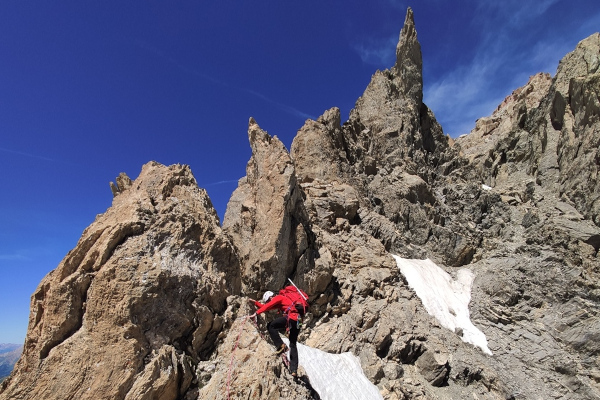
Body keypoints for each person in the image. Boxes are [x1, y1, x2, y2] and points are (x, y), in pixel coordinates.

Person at [249, 289, 303, 377]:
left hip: (291, 317)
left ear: (271, 297)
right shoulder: (283, 300)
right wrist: (256, 303)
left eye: (268, 300)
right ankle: (294, 370)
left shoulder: (279, 297)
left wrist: (256, 313)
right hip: (298, 320)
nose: (270, 301)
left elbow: (268, 306)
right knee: (293, 344)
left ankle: (281, 345)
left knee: (271, 326)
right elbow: (267, 306)